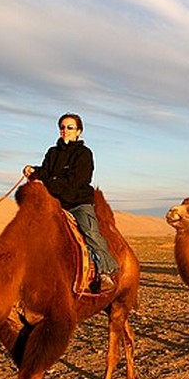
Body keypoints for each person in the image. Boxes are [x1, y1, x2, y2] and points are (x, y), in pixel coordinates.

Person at [23, 113, 118, 291]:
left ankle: (105, 272)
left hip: (78, 202)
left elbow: (77, 181)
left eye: (70, 127)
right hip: (55, 202)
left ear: (78, 132)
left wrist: (49, 182)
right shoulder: (53, 152)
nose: (65, 130)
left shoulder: (84, 154)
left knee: (90, 232)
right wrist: (34, 171)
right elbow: (45, 171)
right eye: (62, 127)